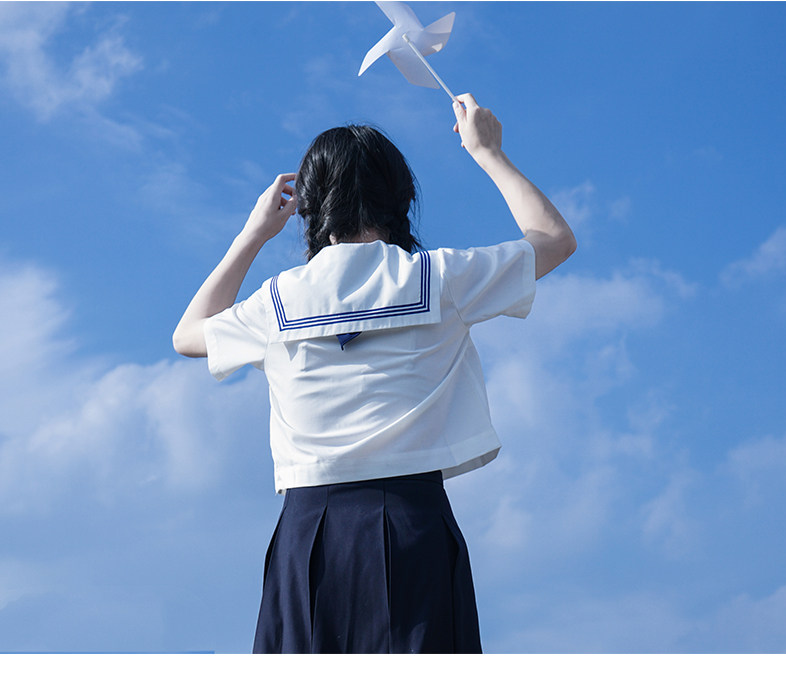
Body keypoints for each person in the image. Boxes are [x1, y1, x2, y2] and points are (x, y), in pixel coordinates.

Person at [172, 93, 575, 653]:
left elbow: (188, 335)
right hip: (414, 525)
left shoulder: (277, 302)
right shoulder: (439, 279)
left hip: (307, 531)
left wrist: (254, 234)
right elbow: (554, 240)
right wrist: (487, 152)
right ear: (401, 198)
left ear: (310, 207)